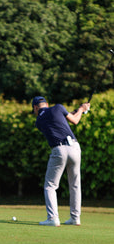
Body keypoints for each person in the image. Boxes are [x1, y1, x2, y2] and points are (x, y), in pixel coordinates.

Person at [32, 96, 90, 226]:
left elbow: (62, 120)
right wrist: (81, 109)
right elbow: (74, 120)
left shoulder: (38, 121)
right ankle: (75, 218)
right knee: (75, 185)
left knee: (50, 186)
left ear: (36, 108)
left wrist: (79, 110)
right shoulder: (58, 107)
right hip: (75, 147)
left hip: (59, 150)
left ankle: (53, 218)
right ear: (46, 104)